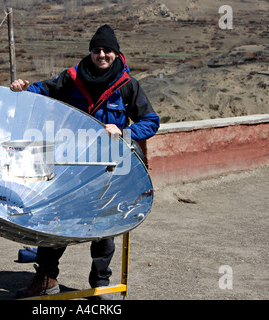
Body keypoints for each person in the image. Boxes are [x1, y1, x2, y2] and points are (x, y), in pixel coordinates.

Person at [10, 24, 160, 299]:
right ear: (90, 52)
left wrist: (124, 132)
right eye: (97, 50)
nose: (102, 55)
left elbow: (151, 121)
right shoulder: (72, 78)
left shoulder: (128, 86)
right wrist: (24, 88)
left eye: (107, 50)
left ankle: (101, 284)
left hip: (107, 168)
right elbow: (42, 92)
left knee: (105, 228)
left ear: (116, 53)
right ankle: (47, 279)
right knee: (54, 222)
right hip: (72, 165)